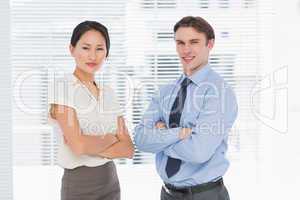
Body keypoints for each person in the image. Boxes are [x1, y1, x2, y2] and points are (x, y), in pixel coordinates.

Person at [134, 16, 238, 200]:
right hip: (167, 193)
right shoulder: (166, 91)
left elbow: (198, 152)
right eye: (180, 43)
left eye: (194, 42)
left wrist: (161, 136)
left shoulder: (219, 92)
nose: (186, 50)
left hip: (204, 195)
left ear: (210, 44)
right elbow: (141, 139)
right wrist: (178, 133)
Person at [48, 20, 134, 200]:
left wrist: (89, 144)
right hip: (80, 185)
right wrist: (111, 139)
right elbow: (78, 147)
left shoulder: (108, 93)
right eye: (86, 48)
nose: (92, 56)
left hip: (110, 181)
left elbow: (128, 148)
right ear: (72, 49)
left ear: (107, 53)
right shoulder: (63, 87)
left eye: (99, 49)